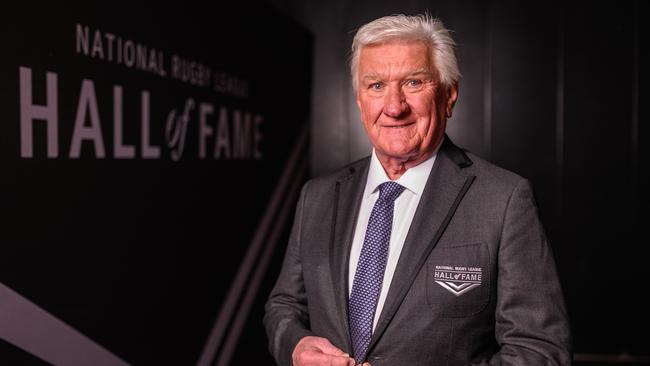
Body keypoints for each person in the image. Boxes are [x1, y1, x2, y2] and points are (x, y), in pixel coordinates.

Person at [264, 13, 571, 366]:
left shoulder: (503, 200)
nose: (394, 107)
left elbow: (541, 350)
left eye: (413, 82)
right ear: (360, 101)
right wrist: (295, 346)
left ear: (449, 95)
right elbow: (283, 305)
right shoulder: (316, 196)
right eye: (376, 86)